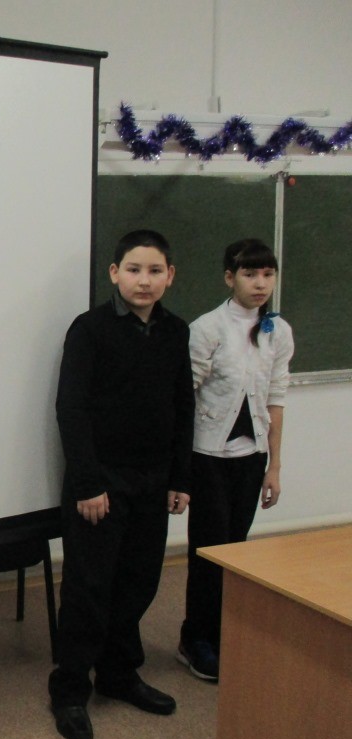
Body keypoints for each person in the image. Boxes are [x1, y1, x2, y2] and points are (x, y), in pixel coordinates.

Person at [48, 230, 195, 739]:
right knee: (89, 588)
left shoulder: (175, 331)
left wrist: (180, 478)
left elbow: (183, 406)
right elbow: (71, 409)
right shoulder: (89, 330)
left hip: (153, 481)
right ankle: (70, 689)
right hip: (101, 484)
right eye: (133, 269)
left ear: (169, 276)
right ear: (114, 273)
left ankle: (118, 673)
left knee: (139, 582)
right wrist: (88, 482)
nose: (143, 280)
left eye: (155, 271)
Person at [177, 238, 294, 682]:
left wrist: (274, 467)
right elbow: (183, 399)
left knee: (236, 549)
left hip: (251, 456)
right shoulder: (207, 328)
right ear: (230, 278)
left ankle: (222, 633)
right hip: (209, 456)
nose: (260, 283)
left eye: (267, 274)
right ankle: (195, 639)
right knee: (209, 550)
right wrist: (179, 471)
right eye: (249, 274)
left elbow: (275, 399)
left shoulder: (278, 331)